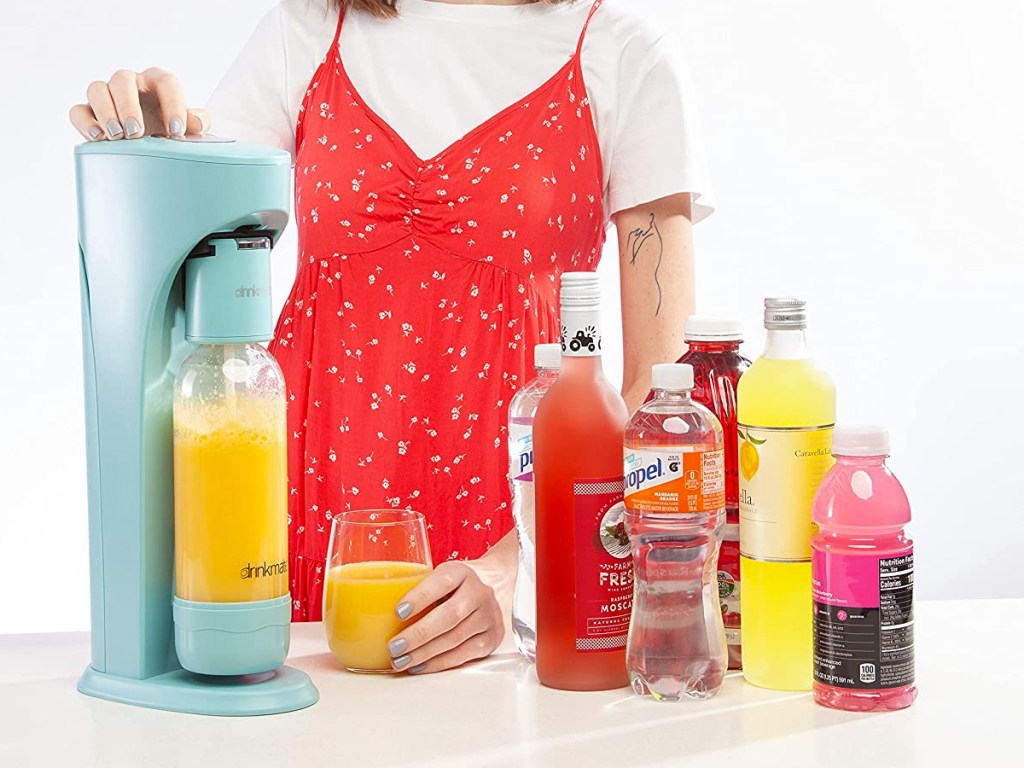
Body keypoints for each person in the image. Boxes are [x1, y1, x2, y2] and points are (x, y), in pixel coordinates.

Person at [68, 0, 712, 675]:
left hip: (518, 541)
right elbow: (191, 242)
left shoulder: (624, 52)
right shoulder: (311, 30)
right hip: (308, 505)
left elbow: (657, 396)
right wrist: (145, 146)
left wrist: (513, 569)